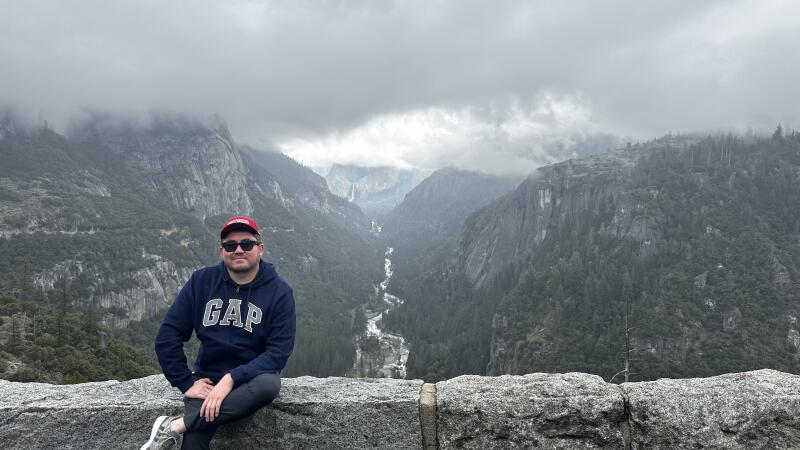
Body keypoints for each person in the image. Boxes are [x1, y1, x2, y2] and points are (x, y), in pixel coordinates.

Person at [141, 215, 296, 450]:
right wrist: (185, 381)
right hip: (207, 380)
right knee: (193, 444)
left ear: (260, 248)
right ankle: (182, 426)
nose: (239, 250)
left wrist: (232, 377)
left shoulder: (279, 292)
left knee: (269, 386)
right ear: (221, 251)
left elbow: (278, 353)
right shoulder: (202, 281)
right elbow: (168, 335)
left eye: (247, 244)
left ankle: (175, 426)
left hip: (251, 379)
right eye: (230, 245)